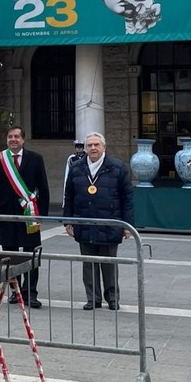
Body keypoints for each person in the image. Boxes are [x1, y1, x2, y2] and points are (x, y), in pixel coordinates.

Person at [63, 131, 134, 311]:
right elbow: (69, 196)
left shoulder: (117, 167)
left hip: (110, 223)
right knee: (89, 264)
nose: (93, 148)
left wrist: (127, 226)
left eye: (96, 145)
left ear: (104, 147)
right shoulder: (76, 167)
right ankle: (92, 299)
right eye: (89, 145)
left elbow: (128, 198)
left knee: (109, 263)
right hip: (84, 222)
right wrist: (67, 221)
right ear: (85, 148)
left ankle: (112, 298)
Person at [0, 125, 50, 309]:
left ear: (23, 139)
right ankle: (16, 292)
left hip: (29, 214)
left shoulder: (36, 159)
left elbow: (43, 187)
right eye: (10, 137)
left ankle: (31, 293)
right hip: (6, 214)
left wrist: (42, 215)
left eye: (16, 137)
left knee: (31, 255)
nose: (13, 139)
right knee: (10, 256)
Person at [62, 139, 86, 205]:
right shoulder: (72, 158)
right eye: (77, 147)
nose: (79, 149)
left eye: (80, 147)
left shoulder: (87, 157)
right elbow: (68, 170)